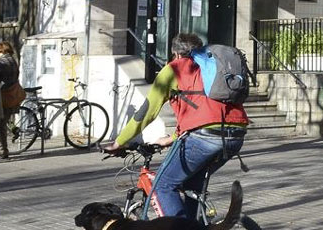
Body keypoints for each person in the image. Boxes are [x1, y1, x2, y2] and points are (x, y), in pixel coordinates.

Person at [103, 32, 248, 218]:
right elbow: (205, 111)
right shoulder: (214, 71)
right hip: (236, 135)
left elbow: (147, 112)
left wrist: (119, 142)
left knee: (163, 185)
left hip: (205, 138)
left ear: (177, 54)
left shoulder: (175, 68)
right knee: (191, 185)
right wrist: (171, 138)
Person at [0, 41, 21, 160]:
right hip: (11, 97)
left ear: (0, 51)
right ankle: (4, 150)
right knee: (2, 125)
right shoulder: (13, 61)